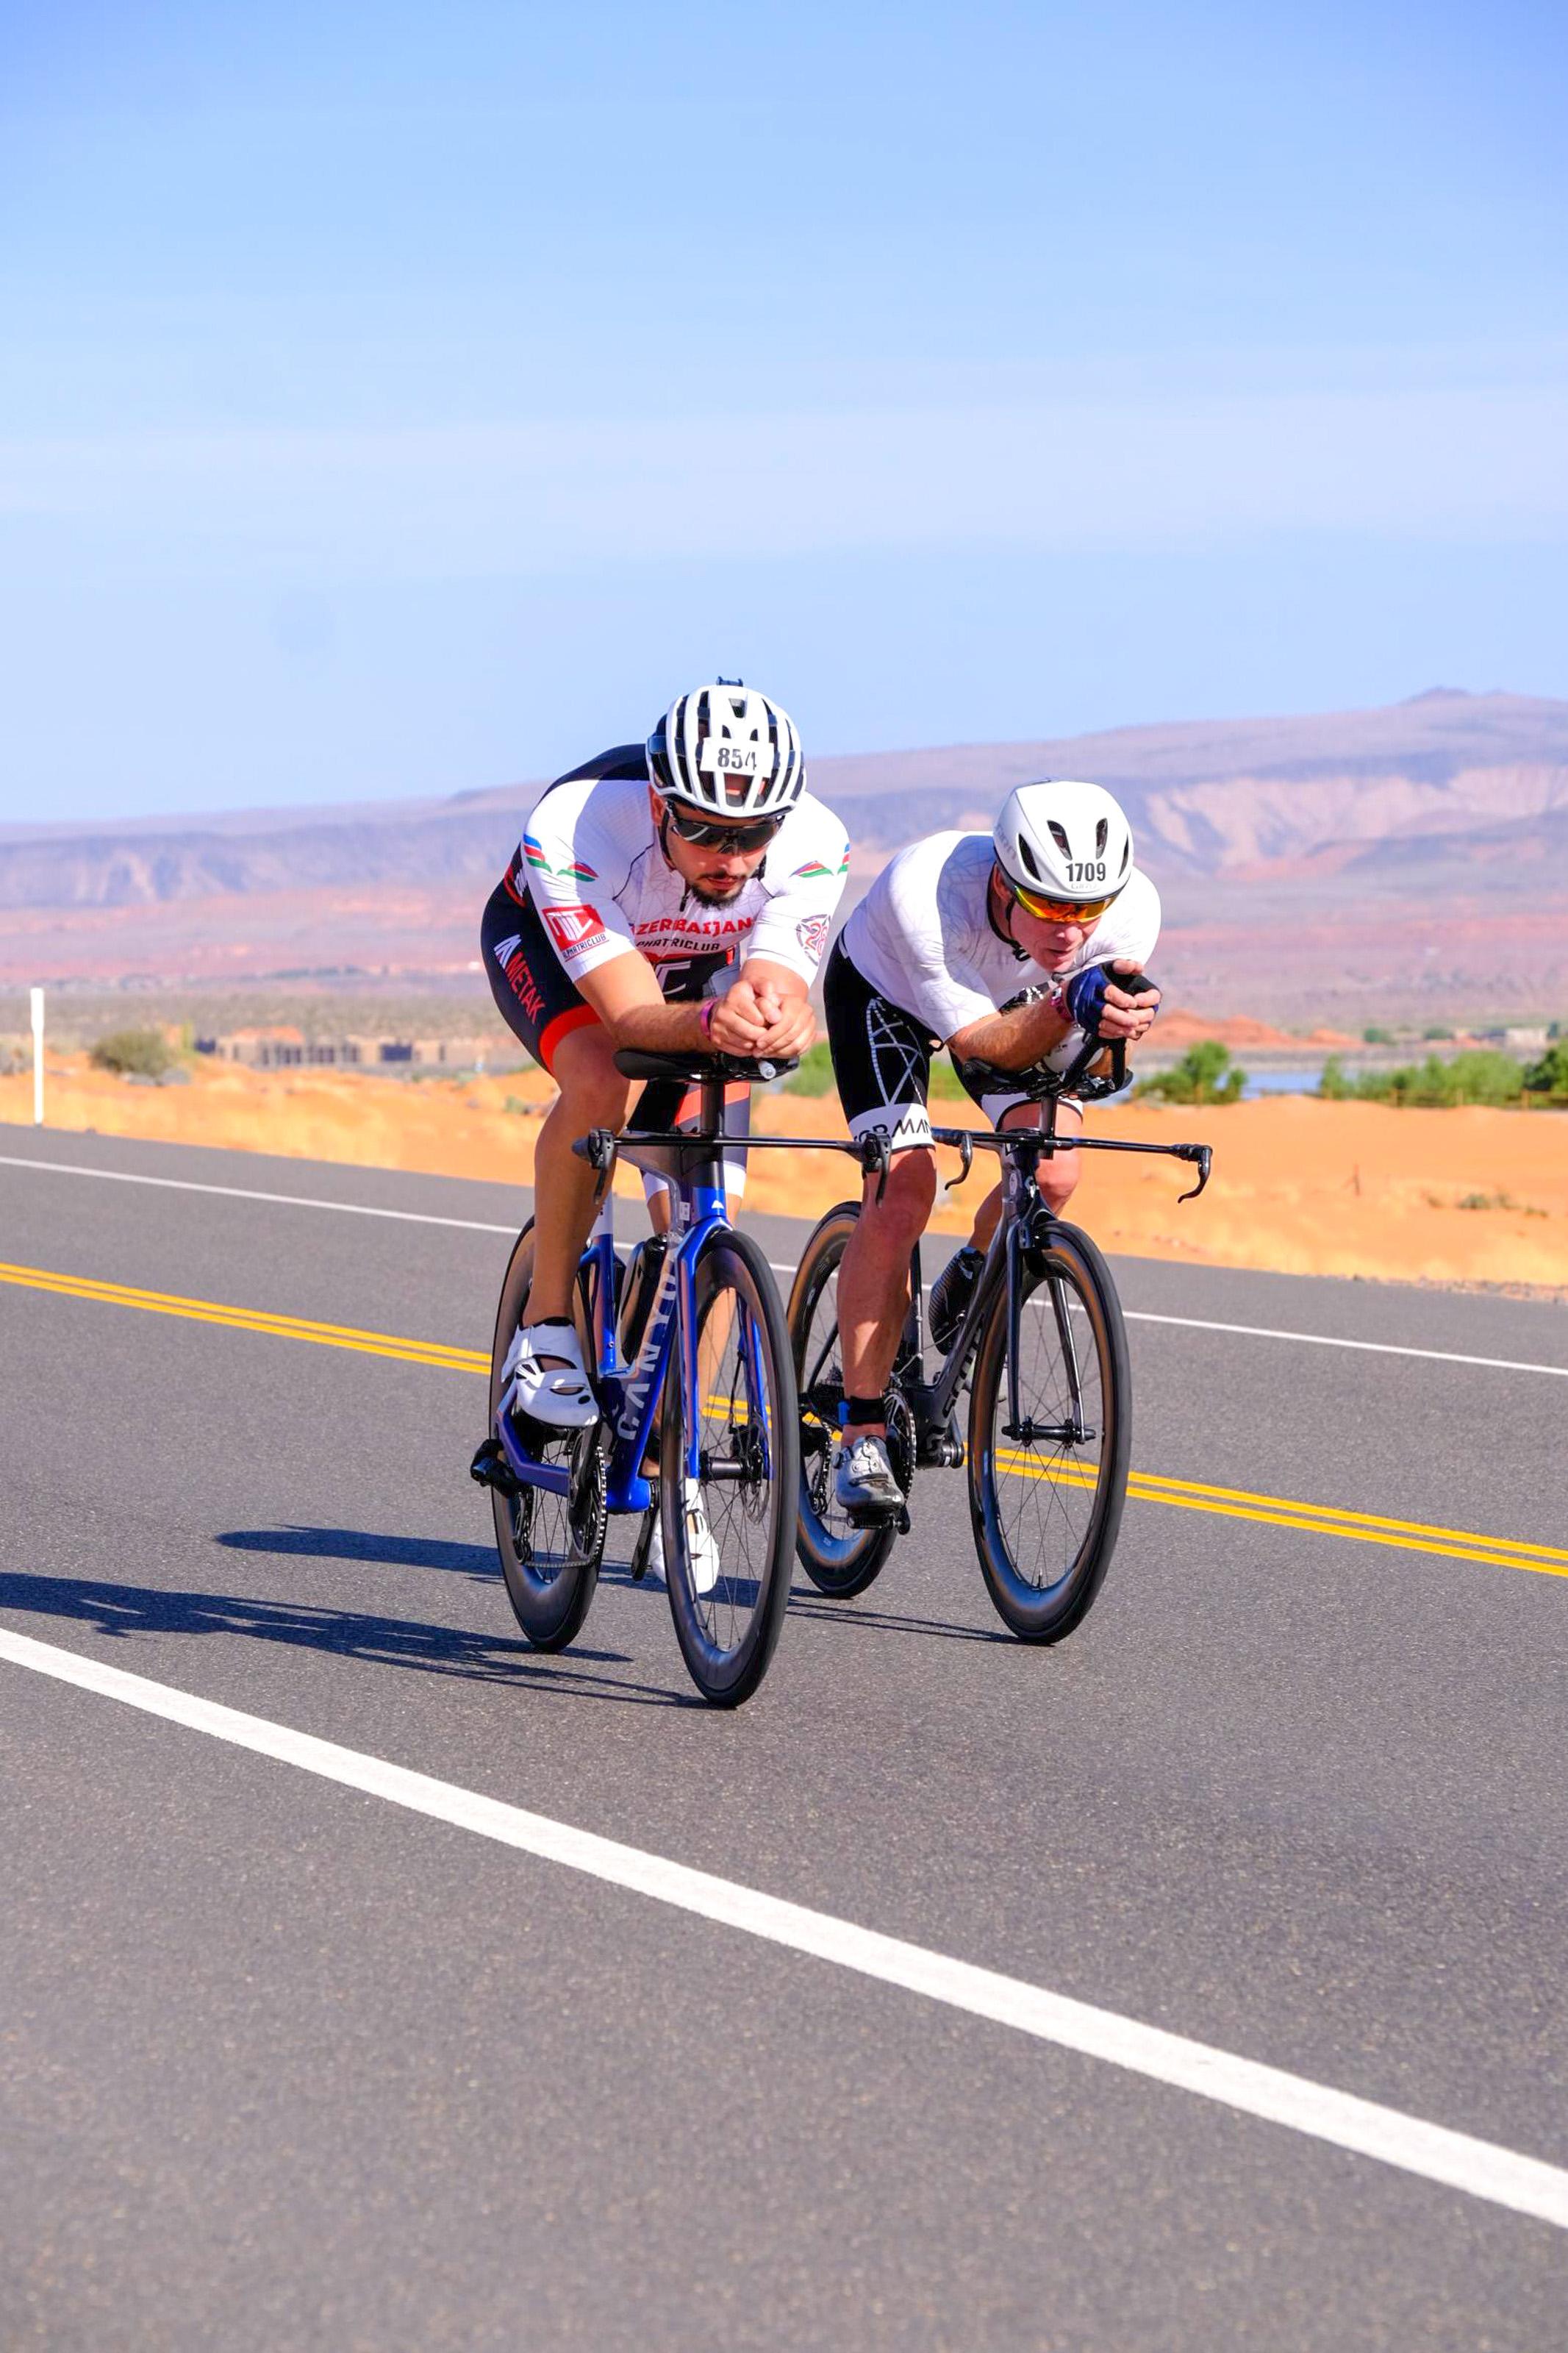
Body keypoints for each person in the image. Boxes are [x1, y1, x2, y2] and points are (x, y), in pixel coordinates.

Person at [482, 682, 848, 1452]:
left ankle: (674, 1433)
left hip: (694, 966)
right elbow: (630, 1017)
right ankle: (548, 1327)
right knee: (603, 1078)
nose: (734, 858)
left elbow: (771, 984)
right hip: (558, 952)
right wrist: (716, 1019)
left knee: (713, 1208)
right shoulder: (577, 824)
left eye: (755, 835)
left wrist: (779, 1015)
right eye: (707, 831)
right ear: (658, 805)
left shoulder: (817, 838)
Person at [821, 778, 1162, 1515]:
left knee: (1057, 1170)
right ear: (1005, 879)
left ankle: (976, 1265)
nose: (1070, 931)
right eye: (1048, 905)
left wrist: (1111, 1026)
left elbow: (1068, 1046)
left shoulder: (1134, 910)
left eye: (1087, 910)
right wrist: (1073, 1000)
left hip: (1016, 1002)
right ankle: (863, 1430)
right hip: (887, 997)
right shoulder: (930, 891)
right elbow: (984, 1045)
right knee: (905, 1190)